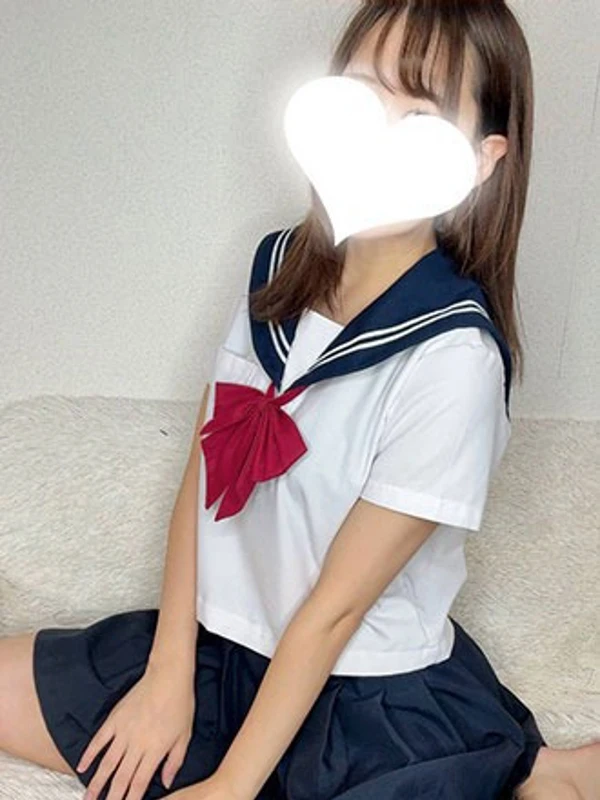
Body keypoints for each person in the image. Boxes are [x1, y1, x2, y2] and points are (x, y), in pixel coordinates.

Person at [1, 2, 598, 799]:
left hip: (360, 695)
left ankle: (533, 770)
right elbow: (205, 470)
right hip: (222, 654)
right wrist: (168, 675)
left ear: (482, 159)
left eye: (420, 115)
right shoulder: (279, 266)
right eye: (363, 94)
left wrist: (231, 786)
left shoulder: (454, 360)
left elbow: (334, 613)